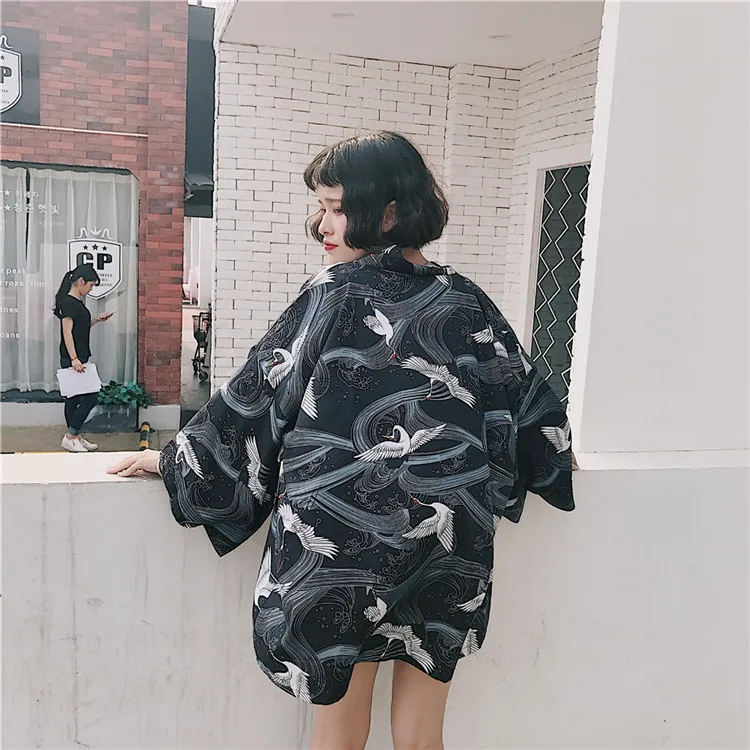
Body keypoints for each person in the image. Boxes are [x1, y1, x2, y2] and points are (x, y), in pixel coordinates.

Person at [108, 131, 575, 750]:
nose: (321, 224)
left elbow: (258, 396)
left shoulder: (334, 293)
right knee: (422, 739)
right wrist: (547, 462)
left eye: (335, 208)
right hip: (448, 541)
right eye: (321, 206)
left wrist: (177, 460)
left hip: (346, 547)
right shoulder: (467, 300)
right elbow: (527, 403)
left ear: (387, 212)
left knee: (337, 736)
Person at [54, 263, 113, 452]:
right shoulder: (68, 302)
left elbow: (80, 327)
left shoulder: (77, 302)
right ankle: (70, 436)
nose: (91, 289)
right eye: (91, 285)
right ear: (81, 281)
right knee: (89, 398)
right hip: (72, 359)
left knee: (74, 400)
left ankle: (75, 436)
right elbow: (67, 332)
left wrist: (97, 320)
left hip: (79, 357)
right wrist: (74, 359)